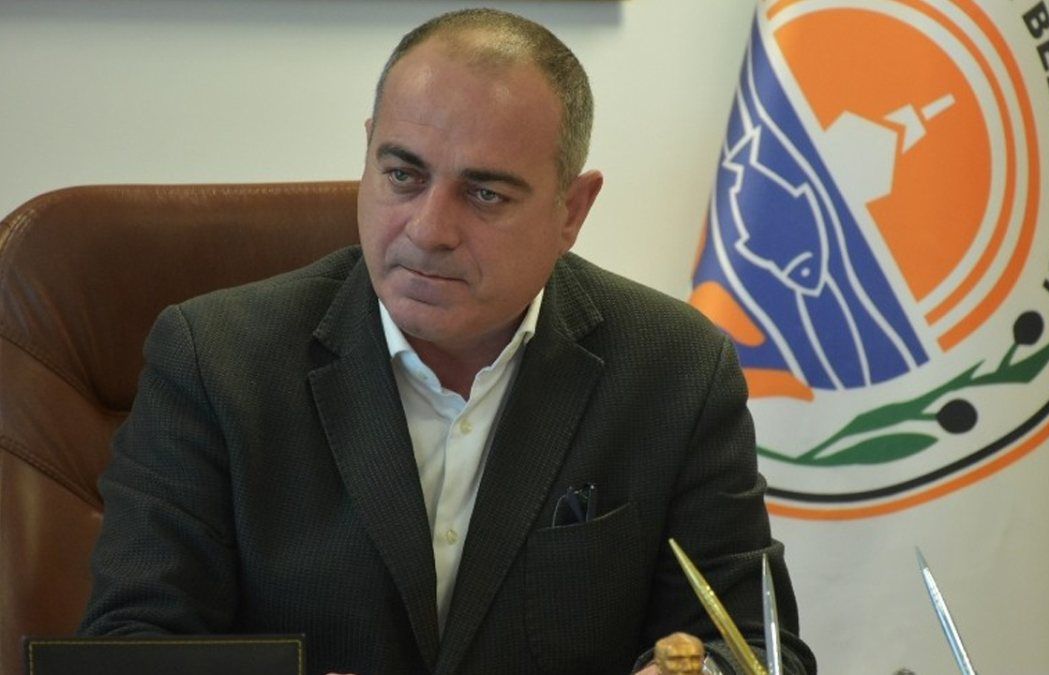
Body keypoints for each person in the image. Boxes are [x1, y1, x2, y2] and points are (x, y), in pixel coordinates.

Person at [79, 8, 817, 675]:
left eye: (485, 193)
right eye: (403, 174)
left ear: (572, 209)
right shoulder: (215, 361)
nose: (429, 229)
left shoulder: (675, 369)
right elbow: (131, 644)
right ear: (368, 156)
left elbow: (755, 645)